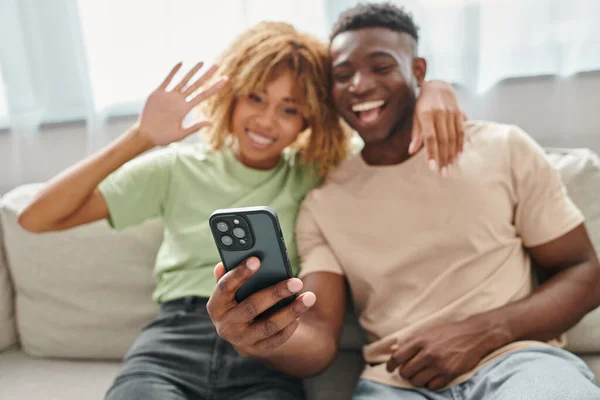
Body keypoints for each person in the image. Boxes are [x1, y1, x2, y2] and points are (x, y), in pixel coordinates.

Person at [18, 21, 463, 400]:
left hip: (271, 343)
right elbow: (35, 217)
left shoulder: (317, 171)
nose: (268, 121)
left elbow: (387, 143)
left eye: (290, 109)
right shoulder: (176, 168)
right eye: (256, 98)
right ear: (230, 95)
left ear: (309, 121)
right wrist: (140, 137)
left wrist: (433, 88)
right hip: (174, 339)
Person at [207, 4, 600, 399]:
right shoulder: (323, 202)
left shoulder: (503, 148)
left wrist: (486, 331)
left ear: (418, 72)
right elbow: (320, 339)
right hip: (397, 384)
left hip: (519, 363)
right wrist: (256, 336)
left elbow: (584, 272)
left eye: (381, 67)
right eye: (343, 75)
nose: (359, 84)